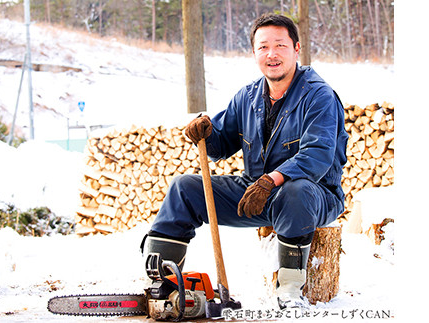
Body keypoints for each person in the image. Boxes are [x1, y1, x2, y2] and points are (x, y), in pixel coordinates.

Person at [140, 13, 348, 309]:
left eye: (280, 45)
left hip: (315, 196)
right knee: (183, 188)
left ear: (297, 48)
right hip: (256, 192)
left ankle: (289, 289)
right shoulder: (248, 97)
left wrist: (271, 180)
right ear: (254, 53)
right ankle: (162, 281)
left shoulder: (319, 96)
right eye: (263, 47)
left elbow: (317, 156)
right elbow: (221, 144)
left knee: (295, 191)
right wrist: (206, 132)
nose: (271, 54)